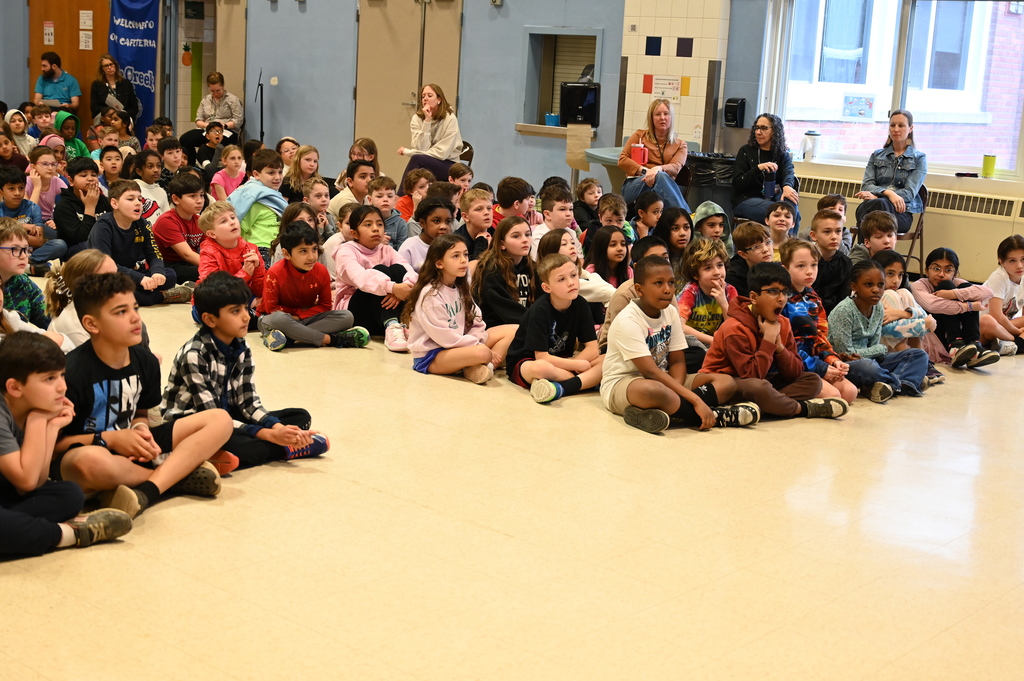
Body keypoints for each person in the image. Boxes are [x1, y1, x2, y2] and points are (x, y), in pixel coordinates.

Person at [54, 272, 234, 517]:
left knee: (220, 419)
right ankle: (174, 477)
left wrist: (141, 430)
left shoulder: (145, 361)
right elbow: (55, 447)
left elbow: (140, 412)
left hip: (131, 448)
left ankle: (145, 488)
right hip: (88, 453)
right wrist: (110, 439)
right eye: (121, 312)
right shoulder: (71, 372)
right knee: (89, 462)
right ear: (92, 324)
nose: (135, 318)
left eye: (135, 308)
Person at [163, 272, 329, 468]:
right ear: (210, 319)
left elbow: (248, 402)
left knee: (299, 417)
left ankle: (221, 455)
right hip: (193, 425)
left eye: (244, 308)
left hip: (228, 415)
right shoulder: (195, 354)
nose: (245, 316)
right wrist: (268, 434)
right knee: (245, 443)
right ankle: (283, 449)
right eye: (235, 311)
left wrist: (276, 427)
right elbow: (212, 417)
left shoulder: (241, 346)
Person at [0, 332, 132, 556]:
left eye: (62, 375)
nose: (62, 387)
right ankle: (68, 534)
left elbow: (34, 483)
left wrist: (51, 428)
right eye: (49, 379)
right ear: (14, 387)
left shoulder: (30, 408)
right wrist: (38, 421)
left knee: (70, 494)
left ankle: (18, 531)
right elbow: (26, 480)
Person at [601, 255, 758, 433]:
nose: (667, 289)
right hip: (624, 384)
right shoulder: (628, 321)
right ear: (639, 289)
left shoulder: (670, 312)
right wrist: (695, 399)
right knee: (653, 390)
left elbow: (677, 361)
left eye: (671, 282)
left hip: (664, 379)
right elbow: (649, 372)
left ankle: (664, 412)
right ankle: (718, 416)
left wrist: (678, 391)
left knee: (726, 383)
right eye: (658, 283)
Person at [700, 262, 850, 420]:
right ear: (753, 297)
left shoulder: (783, 323)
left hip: (762, 381)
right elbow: (752, 375)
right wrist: (769, 340)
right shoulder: (734, 327)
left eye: (785, 292)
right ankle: (802, 409)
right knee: (759, 387)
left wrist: (779, 348)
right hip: (725, 383)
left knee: (813, 381)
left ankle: (759, 407)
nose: (782, 299)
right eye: (773, 291)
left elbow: (795, 372)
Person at [404, 234, 516, 384]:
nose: (463, 260)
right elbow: (445, 338)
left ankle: (480, 365)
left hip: (460, 344)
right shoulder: (430, 295)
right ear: (439, 263)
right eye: (455, 256)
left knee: (514, 329)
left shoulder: (460, 287)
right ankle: (483, 362)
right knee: (482, 352)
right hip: (432, 356)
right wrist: (478, 346)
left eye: (465, 254)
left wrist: (476, 339)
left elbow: (477, 321)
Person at [504, 254, 603, 404]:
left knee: (607, 359)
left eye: (573, 275)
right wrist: (576, 365)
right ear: (547, 287)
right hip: (528, 362)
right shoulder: (540, 310)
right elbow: (542, 357)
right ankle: (585, 381)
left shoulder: (581, 304)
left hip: (563, 360)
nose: (571, 283)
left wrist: (576, 362)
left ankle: (559, 387)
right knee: (542, 368)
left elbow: (593, 348)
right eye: (561, 279)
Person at [257, 222, 367, 351]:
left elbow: (325, 306)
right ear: (286, 254)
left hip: (306, 317)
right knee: (278, 319)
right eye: (303, 251)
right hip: (275, 319)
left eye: (314, 249)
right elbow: (272, 309)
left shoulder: (321, 271)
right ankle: (332, 339)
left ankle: (288, 337)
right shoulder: (274, 273)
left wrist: (300, 317)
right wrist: (298, 313)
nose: (311, 257)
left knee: (346, 317)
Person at [828, 260, 930, 399]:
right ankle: (903, 382)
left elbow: (877, 347)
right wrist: (879, 350)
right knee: (868, 367)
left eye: (880, 285)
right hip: (845, 365)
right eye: (868, 284)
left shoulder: (878, 308)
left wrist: (876, 350)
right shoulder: (844, 310)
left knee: (918, 355)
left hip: (870, 359)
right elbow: (845, 353)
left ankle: (885, 385)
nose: (876, 290)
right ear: (854, 286)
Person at [87, 179, 192, 306]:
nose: (138, 203)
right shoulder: (103, 226)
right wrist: (139, 278)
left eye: (140, 199)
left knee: (170, 275)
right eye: (130, 199)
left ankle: (145, 291)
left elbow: (154, 253)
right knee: (117, 290)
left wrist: (157, 272)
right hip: (105, 276)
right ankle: (162, 296)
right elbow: (104, 264)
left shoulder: (142, 223)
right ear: (114, 203)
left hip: (129, 274)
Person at [779, 240, 860, 403]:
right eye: (801, 266)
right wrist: (820, 368)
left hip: (813, 360)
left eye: (814, 265)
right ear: (785, 268)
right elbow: (786, 347)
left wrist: (832, 360)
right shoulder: (780, 299)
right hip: (791, 364)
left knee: (850, 392)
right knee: (834, 396)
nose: (809, 271)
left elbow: (820, 336)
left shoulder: (813, 298)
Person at [333, 205, 417, 351]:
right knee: (379, 270)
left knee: (398, 269)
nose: (375, 229)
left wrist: (402, 290)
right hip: (355, 314)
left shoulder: (387, 250)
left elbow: (410, 272)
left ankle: (398, 325)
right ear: (354, 233)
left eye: (379, 224)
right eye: (368, 224)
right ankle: (392, 325)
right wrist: (393, 288)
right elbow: (361, 278)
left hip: (379, 315)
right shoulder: (345, 251)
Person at [911, 247, 1000, 369]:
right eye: (936, 268)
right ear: (926, 270)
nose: (941, 274)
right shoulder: (919, 285)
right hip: (934, 335)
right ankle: (955, 345)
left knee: (966, 288)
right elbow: (932, 305)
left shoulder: (957, 282)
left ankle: (974, 345)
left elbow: (988, 292)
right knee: (947, 285)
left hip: (956, 334)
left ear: (955, 273)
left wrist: (952, 293)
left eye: (948, 270)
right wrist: (969, 306)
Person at [855, 109, 926, 235]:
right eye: (892, 125)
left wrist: (878, 197)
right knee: (876, 208)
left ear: (910, 128)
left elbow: (909, 193)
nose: (896, 129)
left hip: (900, 214)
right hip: (874, 207)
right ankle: (867, 248)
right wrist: (888, 193)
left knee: (874, 208)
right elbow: (866, 186)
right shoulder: (876, 155)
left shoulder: (919, 158)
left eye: (901, 125)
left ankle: (863, 247)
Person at [597, 236, 670, 351]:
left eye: (665, 258)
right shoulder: (625, 295)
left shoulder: (668, 288)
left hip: (659, 343)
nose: (662, 265)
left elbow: (674, 330)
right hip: (619, 348)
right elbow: (622, 338)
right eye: (653, 261)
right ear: (637, 267)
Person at [617, 99, 690, 211]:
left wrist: (658, 169)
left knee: (660, 176)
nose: (662, 118)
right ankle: (687, 216)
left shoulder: (680, 145)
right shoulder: (639, 136)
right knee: (659, 176)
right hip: (635, 185)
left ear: (671, 117)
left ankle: (682, 217)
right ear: (651, 118)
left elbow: (676, 167)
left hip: (662, 188)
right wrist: (646, 172)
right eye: (658, 114)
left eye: (666, 114)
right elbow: (622, 160)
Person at [732, 113, 800, 231]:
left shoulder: (782, 155)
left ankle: (788, 242)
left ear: (775, 131)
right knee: (784, 214)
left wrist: (787, 186)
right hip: (746, 200)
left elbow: (788, 173)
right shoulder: (745, 151)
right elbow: (738, 183)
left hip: (772, 199)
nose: (758, 132)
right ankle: (787, 241)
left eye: (764, 128)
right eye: (757, 128)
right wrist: (758, 168)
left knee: (790, 204)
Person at [197, 201, 266, 310]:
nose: (232, 222)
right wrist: (245, 274)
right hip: (213, 301)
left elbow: (260, 291)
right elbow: (212, 291)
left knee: (267, 301)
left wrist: (258, 269)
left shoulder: (251, 248)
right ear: (212, 234)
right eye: (223, 221)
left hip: (243, 296)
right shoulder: (208, 252)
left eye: (233, 217)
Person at [471, 215, 534, 328]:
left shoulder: (532, 266)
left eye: (528, 234)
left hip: (525, 323)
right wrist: (538, 320)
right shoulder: (492, 271)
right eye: (516, 236)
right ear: (502, 244)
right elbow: (507, 311)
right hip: (496, 327)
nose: (525, 240)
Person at [397, 84, 464, 191]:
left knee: (417, 159)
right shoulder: (417, 119)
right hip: (427, 161)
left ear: (439, 100)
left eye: (429, 95)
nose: (425, 99)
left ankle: (401, 195)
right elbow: (421, 148)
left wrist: (409, 152)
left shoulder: (450, 118)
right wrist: (427, 121)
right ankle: (409, 196)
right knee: (418, 161)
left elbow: (442, 153)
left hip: (449, 164)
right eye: (423, 96)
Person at [229, 149, 288, 268]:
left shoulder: (273, 196)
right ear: (256, 175)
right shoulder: (252, 198)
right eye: (271, 173)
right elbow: (239, 227)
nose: (277, 177)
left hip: (277, 247)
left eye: (280, 172)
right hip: (259, 248)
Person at [873, 250, 937, 356]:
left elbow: (923, 315)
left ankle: (919, 354)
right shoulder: (870, 297)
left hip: (889, 349)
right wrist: (924, 325)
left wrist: (902, 314)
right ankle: (906, 357)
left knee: (904, 292)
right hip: (874, 348)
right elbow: (886, 329)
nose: (896, 280)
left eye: (900, 275)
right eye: (890, 274)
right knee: (890, 294)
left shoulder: (901, 293)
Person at [677, 238, 737, 348]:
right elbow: (679, 326)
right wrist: (714, 341)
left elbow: (734, 328)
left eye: (720, 265)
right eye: (708, 268)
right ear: (695, 274)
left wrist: (724, 304)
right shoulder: (691, 292)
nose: (717, 272)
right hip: (691, 342)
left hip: (713, 343)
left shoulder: (730, 291)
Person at [180, 72, 245, 165]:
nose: (215, 93)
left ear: (223, 86)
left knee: (215, 139)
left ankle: (214, 165)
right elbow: (198, 120)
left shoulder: (233, 100)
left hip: (226, 130)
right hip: (207, 128)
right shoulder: (205, 100)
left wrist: (224, 126)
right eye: (212, 91)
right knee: (185, 139)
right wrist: (207, 126)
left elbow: (238, 120)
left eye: (218, 90)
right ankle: (192, 165)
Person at [152, 173, 206, 284]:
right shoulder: (167, 221)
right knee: (205, 272)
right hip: (167, 266)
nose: (200, 201)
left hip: (188, 264)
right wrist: (215, 266)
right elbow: (187, 255)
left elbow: (211, 247)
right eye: (193, 196)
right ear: (176, 199)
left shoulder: (199, 220)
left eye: (201, 195)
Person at [52, 157, 108, 259]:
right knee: (91, 245)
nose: (90, 178)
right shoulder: (63, 206)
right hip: (75, 252)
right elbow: (81, 238)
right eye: (83, 175)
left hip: (103, 246)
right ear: (71, 181)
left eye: (94, 175)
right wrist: (90, 207)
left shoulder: (103, 200)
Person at [980, 234, 1024, 355]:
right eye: (1012, 261)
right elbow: (996, 315)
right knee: (987, 320)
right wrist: (1018, 331)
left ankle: (1007, 344)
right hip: (983, 327)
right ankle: (1016, 343)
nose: (1019, 265)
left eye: (1023, 259)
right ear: (1001, 262)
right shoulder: (999, 277)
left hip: (1005, 326)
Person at [809, 209, 853, 314]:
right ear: (814, 236)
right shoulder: (807, 259)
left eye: (838, 231)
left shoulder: (846, 263)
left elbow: (844, 297)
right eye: (827, 232)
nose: (834, 237)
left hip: (836, 313)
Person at [398, 197, 453, 272]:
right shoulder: (410, 246)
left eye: (448, 222)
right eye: (436, 221)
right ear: (422, 223)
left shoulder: (453, 246)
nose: (443, 226)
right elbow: (401, 274)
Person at [529, 186, 583, 261]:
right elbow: (539, 264)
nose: (568, 214)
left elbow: (580, 260)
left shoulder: (571, 233)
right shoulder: (539, 237)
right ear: (547, 214)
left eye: (571, 209)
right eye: (562, 209)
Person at [724, 221, 772, 296]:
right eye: (756, 247)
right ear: (743, 254)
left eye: (768, 242)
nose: (765, 249)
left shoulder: (776, 268)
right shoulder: (734, 277)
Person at [89, 54, 140, 121]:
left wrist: (124, 115)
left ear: (115, 65)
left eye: (111, 64)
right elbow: (94, 107)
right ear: (102, 69)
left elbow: (134, 106)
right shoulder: (97, 85)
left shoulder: (126, 83)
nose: (110, 67)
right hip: (105, 120)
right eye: (106, 66)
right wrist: (110, 111)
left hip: (124, 119)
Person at [367, 176, 408, 249]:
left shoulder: (401, 224)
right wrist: (376, 243)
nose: (385, 199)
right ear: (370, 200)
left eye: (389, 196)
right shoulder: (364, 221)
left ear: (395, 199)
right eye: (379, 196)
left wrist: (387, 246)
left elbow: (402, 251)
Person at [454, 187, 492, 261]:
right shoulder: (456, 242)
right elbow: (473, 268)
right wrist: (480, 244)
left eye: (489, 208)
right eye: (479, 209)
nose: (487, 212)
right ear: (465, 217)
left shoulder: (497, 234)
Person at [651, 207, 692, 271]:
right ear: (665, 230)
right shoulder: (657, 257)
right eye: (675, 228)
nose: (682, 233)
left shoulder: (696, 256)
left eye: (686, 227)